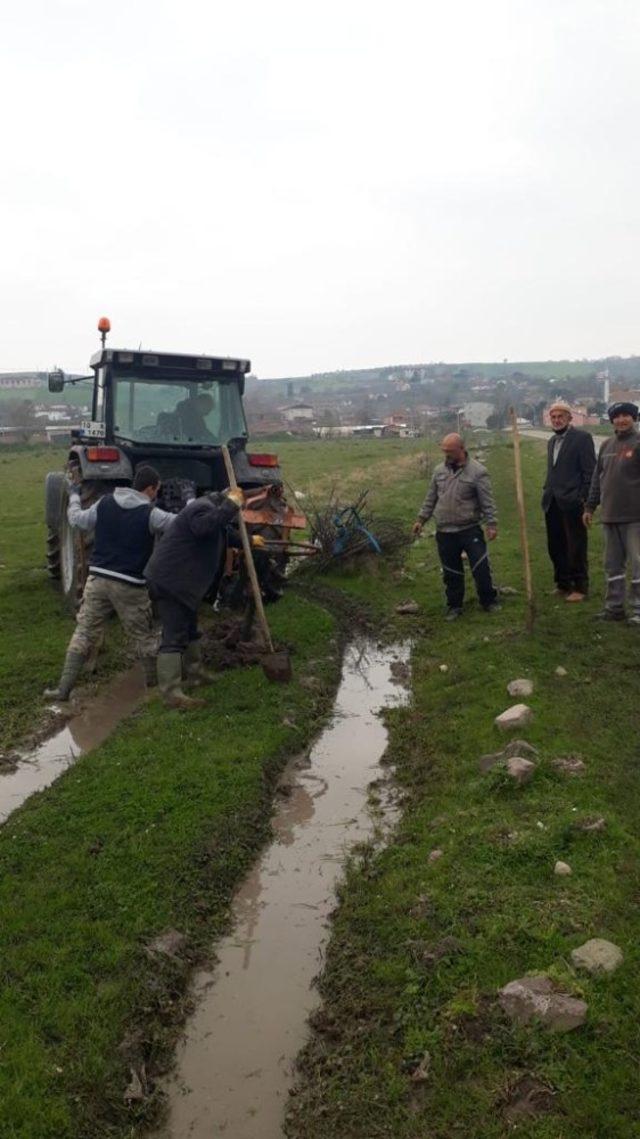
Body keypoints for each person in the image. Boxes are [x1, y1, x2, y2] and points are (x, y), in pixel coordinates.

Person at [44, 465, 176, 702]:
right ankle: (153, 687)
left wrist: (74, 495)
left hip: (97, 581)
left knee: (84, 632)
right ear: (150, 488)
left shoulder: (104, 502)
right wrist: (196, 508)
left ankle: (62, 690)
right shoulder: (151, 513)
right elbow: (178, 525)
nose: (156, 494)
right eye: (156, 490)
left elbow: (76, 521)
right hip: (130, 586)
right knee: (143, 636)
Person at [145, 486, 265, 709]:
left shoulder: (210, 511)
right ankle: (171, 694)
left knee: (191, 629)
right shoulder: (201, 508)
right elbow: (203, 528)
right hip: (171, 582)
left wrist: (249, 540)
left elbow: (223, 533)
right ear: (226, 498)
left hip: (182, 582)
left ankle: (196, 675)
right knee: (174, 634)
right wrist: (230, 506)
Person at [412, 433, 500, 620]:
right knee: (451, 572)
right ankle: (454, 606)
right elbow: (431, 498)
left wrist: (491, 524)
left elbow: (487, 501)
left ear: (461, 449)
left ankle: (488, 601)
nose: (446, 455)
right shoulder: (438, 472)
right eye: (444, 451)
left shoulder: (478, 472)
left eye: (450, 451)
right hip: (445, 532)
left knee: (480, 567)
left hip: (469, 529)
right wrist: (421, 519)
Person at [584, 401, 640, 625]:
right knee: (613, 565)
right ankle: (614, 608)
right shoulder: (606, 445)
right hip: (609, 516)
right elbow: (597, 481)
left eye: (626, 415)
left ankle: (638, 610)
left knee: (638, 565)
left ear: (634, 418)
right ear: (612, 420)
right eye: (617, 416)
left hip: (636, 518)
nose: (622, 420)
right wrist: (590, 506)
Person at [541, 399, 596, 602]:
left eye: (560, 417)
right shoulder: (552, 442)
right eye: (553, 417)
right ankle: (562, 583)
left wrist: (583, 499)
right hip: (552, 501)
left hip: (573, 502)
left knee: (576, 546)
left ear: (569, 418)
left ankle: (580, 587)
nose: (556, 420)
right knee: (555, 546)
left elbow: (590, 473)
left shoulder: (582, 438)